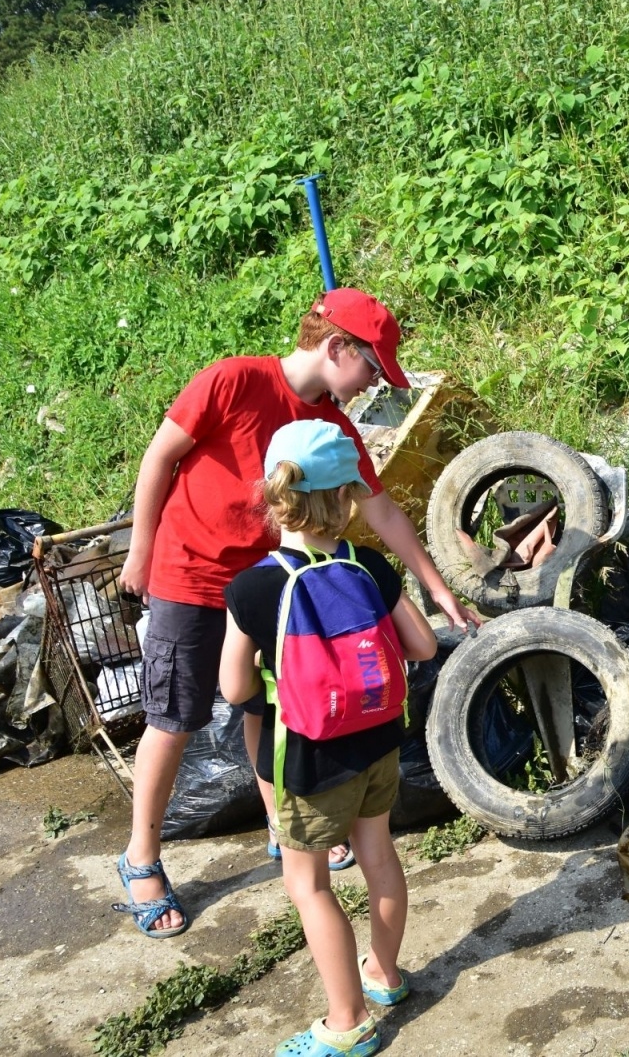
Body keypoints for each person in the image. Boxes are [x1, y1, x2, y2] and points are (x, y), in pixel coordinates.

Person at [113, 288, 475, 938]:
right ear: (336, 347)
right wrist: (140, 553)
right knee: (176, 715)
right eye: (371, 367)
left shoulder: (331, 431)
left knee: (267, 708)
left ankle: (286, 830)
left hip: (269, 586)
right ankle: (141, 854)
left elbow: (381, 508)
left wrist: (435, 584)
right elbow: (159, 458)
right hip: (188, 575)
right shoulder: (231, 379)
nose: (371, 384)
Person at [221, 418, 431, 1057]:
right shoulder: (368, 565)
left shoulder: (254, 587)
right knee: (379, 855)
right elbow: (420, 645)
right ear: (346, 499)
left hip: (307, 760)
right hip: (377, 745)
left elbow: (233, 690)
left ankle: (347, 1023)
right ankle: (386, 975)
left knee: (309, 884)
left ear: (273, 493)